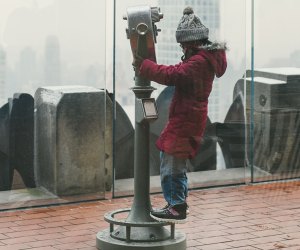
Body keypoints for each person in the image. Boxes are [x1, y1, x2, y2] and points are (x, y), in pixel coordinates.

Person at [133, 6, 227, 223]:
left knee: (172, 163)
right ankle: (176, 202)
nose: (181, 48)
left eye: (183, 44)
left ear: (191, 42)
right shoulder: (203, 58)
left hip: (186, 120)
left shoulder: (198, 63)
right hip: (188, 118)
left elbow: (173, 74)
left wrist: (145, 66)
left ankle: (176, 206)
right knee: (172, 160)